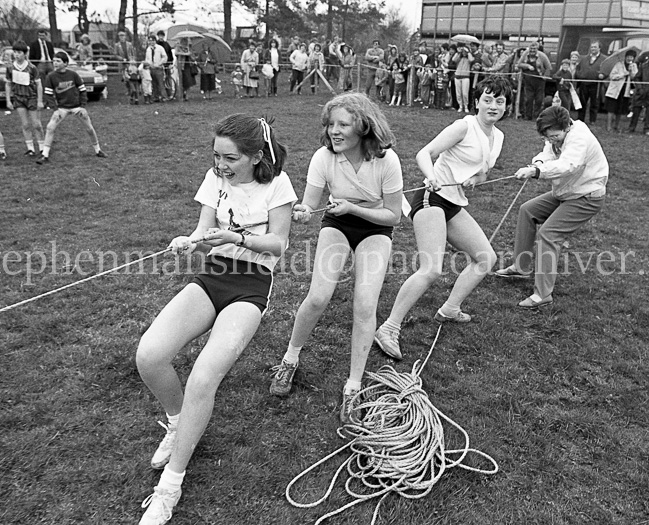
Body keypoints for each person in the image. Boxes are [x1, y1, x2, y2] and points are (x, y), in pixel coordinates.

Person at [136, 114, 296, 525]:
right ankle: (178, 423)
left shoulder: (278, 185)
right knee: (149, 355)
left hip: (252, 284)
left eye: (230, 158)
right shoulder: (214, 179)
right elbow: (203, 231)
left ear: (255, 156)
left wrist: (237, 237)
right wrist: (189, 241)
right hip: (213, 275)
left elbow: (278, 244)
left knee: (203, 378)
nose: (220, 165)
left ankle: (169, 488)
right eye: (216, 156)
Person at [269, 93, 403, 424]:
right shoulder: (324, 157)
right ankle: (290, 359)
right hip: (337, 224)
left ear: (363, 126)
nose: (334, 131)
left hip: (375, 227)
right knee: (318, 296)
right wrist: (302, 211)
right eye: (331, 124)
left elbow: (393, 216)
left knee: (365, 304)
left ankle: (353, 386)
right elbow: (310, 203)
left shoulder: (387, 160)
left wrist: (353, 207)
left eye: (343, 124)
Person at [374, 77, 511, 359]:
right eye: (487, 100)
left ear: (506, 106)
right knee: (431, 269)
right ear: (476, 102)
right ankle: (388, 328)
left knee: (486, 258)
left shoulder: (498, 137)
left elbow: (484, 171)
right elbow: (425, 153)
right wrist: (431, 176)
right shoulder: (464, 126)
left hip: (453, 202)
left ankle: (450, 309)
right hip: (432, 198)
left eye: (499, 101)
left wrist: (474, 179)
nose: (493, 106)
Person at [494, 105, 608, 309]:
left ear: (566, 127)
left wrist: (537, 172)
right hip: (568, 192)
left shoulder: (579, 138)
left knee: (549, 234)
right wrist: (535, 165)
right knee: (527, 210)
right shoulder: (556, 135)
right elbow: (547, 153)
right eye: (547, 137)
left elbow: (567, 165)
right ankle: (521, 267)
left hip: (587, 196)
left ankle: (542, 295)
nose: (551, 140)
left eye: (554, 136)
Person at [36, 52, 106, 164]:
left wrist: (82, 107)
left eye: (58, 61)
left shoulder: (73, 75)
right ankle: (45, 155)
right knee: (50, 127)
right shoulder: (51, 77)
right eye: (54, 61)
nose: (55, 63)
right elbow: (48, 94)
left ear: (65, 63)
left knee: (89, 128)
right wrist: (55, 109)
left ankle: (98, 150)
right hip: (62, 108)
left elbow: (83, 90)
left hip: (77, 107)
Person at [5, 40, 44, 156]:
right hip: (19, 98)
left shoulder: (32, 68)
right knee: (25, 124)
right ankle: (30, 148)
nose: (16, 55)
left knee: (36, 124)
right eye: (15, 52)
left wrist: (40, 101)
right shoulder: (10, 68)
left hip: (31, 97)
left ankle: (42, 147)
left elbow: (39, 84)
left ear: (25, 53)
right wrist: (8, 100)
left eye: (19, 52)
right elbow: (8, 84)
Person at [604, 49, 637, 132]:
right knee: (611, 109)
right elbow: (612, 76)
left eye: (631, 57)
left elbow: (634, 77)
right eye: (628, 56)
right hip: (615, 90)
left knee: (620, 109)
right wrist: (623, 74)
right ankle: (609, 126)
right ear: (625, 57)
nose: (629, 58)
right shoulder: (618, 65)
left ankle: (616, 125)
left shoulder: (634, 66)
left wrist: (631, 72)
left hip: (625, 90)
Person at [516, 42, 551, 120]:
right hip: (528, 80)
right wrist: (527, 66)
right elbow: (519, 64)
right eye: (531, 48)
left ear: (537, 49)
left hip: (539, 80)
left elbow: (549, 67)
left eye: (534, 49)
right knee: (529, 99)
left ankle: (537, 116)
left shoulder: (542, 56)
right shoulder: (525, 54)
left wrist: (545, 77)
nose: (532, 50)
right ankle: (528, 116)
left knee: (539, 99)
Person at [575, 41, 607, 125]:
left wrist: (603, 75)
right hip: (584, 83)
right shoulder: (584, 58)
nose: (593, 48)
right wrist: (580, 75)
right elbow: (577, 69)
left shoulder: (604, 59)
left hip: (596, 84)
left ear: (599, 48)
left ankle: (592, 120)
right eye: (592, 47)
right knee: (582, 102)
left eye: (595, 47)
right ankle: (580, 119)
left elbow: (607, 70)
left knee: (594, 103)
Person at [114, 30, 137, 100]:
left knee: (131, 76)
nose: (122, 37)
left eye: (123, 36)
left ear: (125, 36)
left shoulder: (129, 44)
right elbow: (115, 55)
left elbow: (133, 53)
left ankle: (133, 89)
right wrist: (122, 59)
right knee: (125, 78)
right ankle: (128, 89)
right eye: (120, 36)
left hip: (130, 62)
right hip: (122, 63)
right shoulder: (117, 45)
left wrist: (132, 59)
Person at [145, 35, 168, 102]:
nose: (151, 42)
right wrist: (149, 64)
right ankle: (156, 97)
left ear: (155, 41)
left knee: (161, 83)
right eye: (150, 41)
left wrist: (160, 63)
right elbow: (147, 59)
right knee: (154, 84)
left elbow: (164, 57)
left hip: (159, 68)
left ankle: (164, 97)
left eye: (152, 41)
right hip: (151, 68)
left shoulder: (160, 48)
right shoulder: (148, 49)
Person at [155, 30, 175, 99]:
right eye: (159, 36)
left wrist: (170, 62)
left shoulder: (166, 44)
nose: (161, 37)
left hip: (167, 64)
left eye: (162, 36)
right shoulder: (156, 44)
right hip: (158, 65)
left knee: (168, 79)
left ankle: (169, 94)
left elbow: (170, 54)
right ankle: (159, 94)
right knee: (159, 80)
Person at [452, 46, 472, 112]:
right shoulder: (459, 58)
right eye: (463, 52)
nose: (464, 53)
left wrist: (468, 52)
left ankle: (466, 106)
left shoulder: (469, 58)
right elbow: (453, 59)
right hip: (457, 76)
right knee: (458, 93)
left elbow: (471, 60)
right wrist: (458, 52)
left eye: (465, 52)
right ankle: (460, 106)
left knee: (465, 93)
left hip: (465, 77)